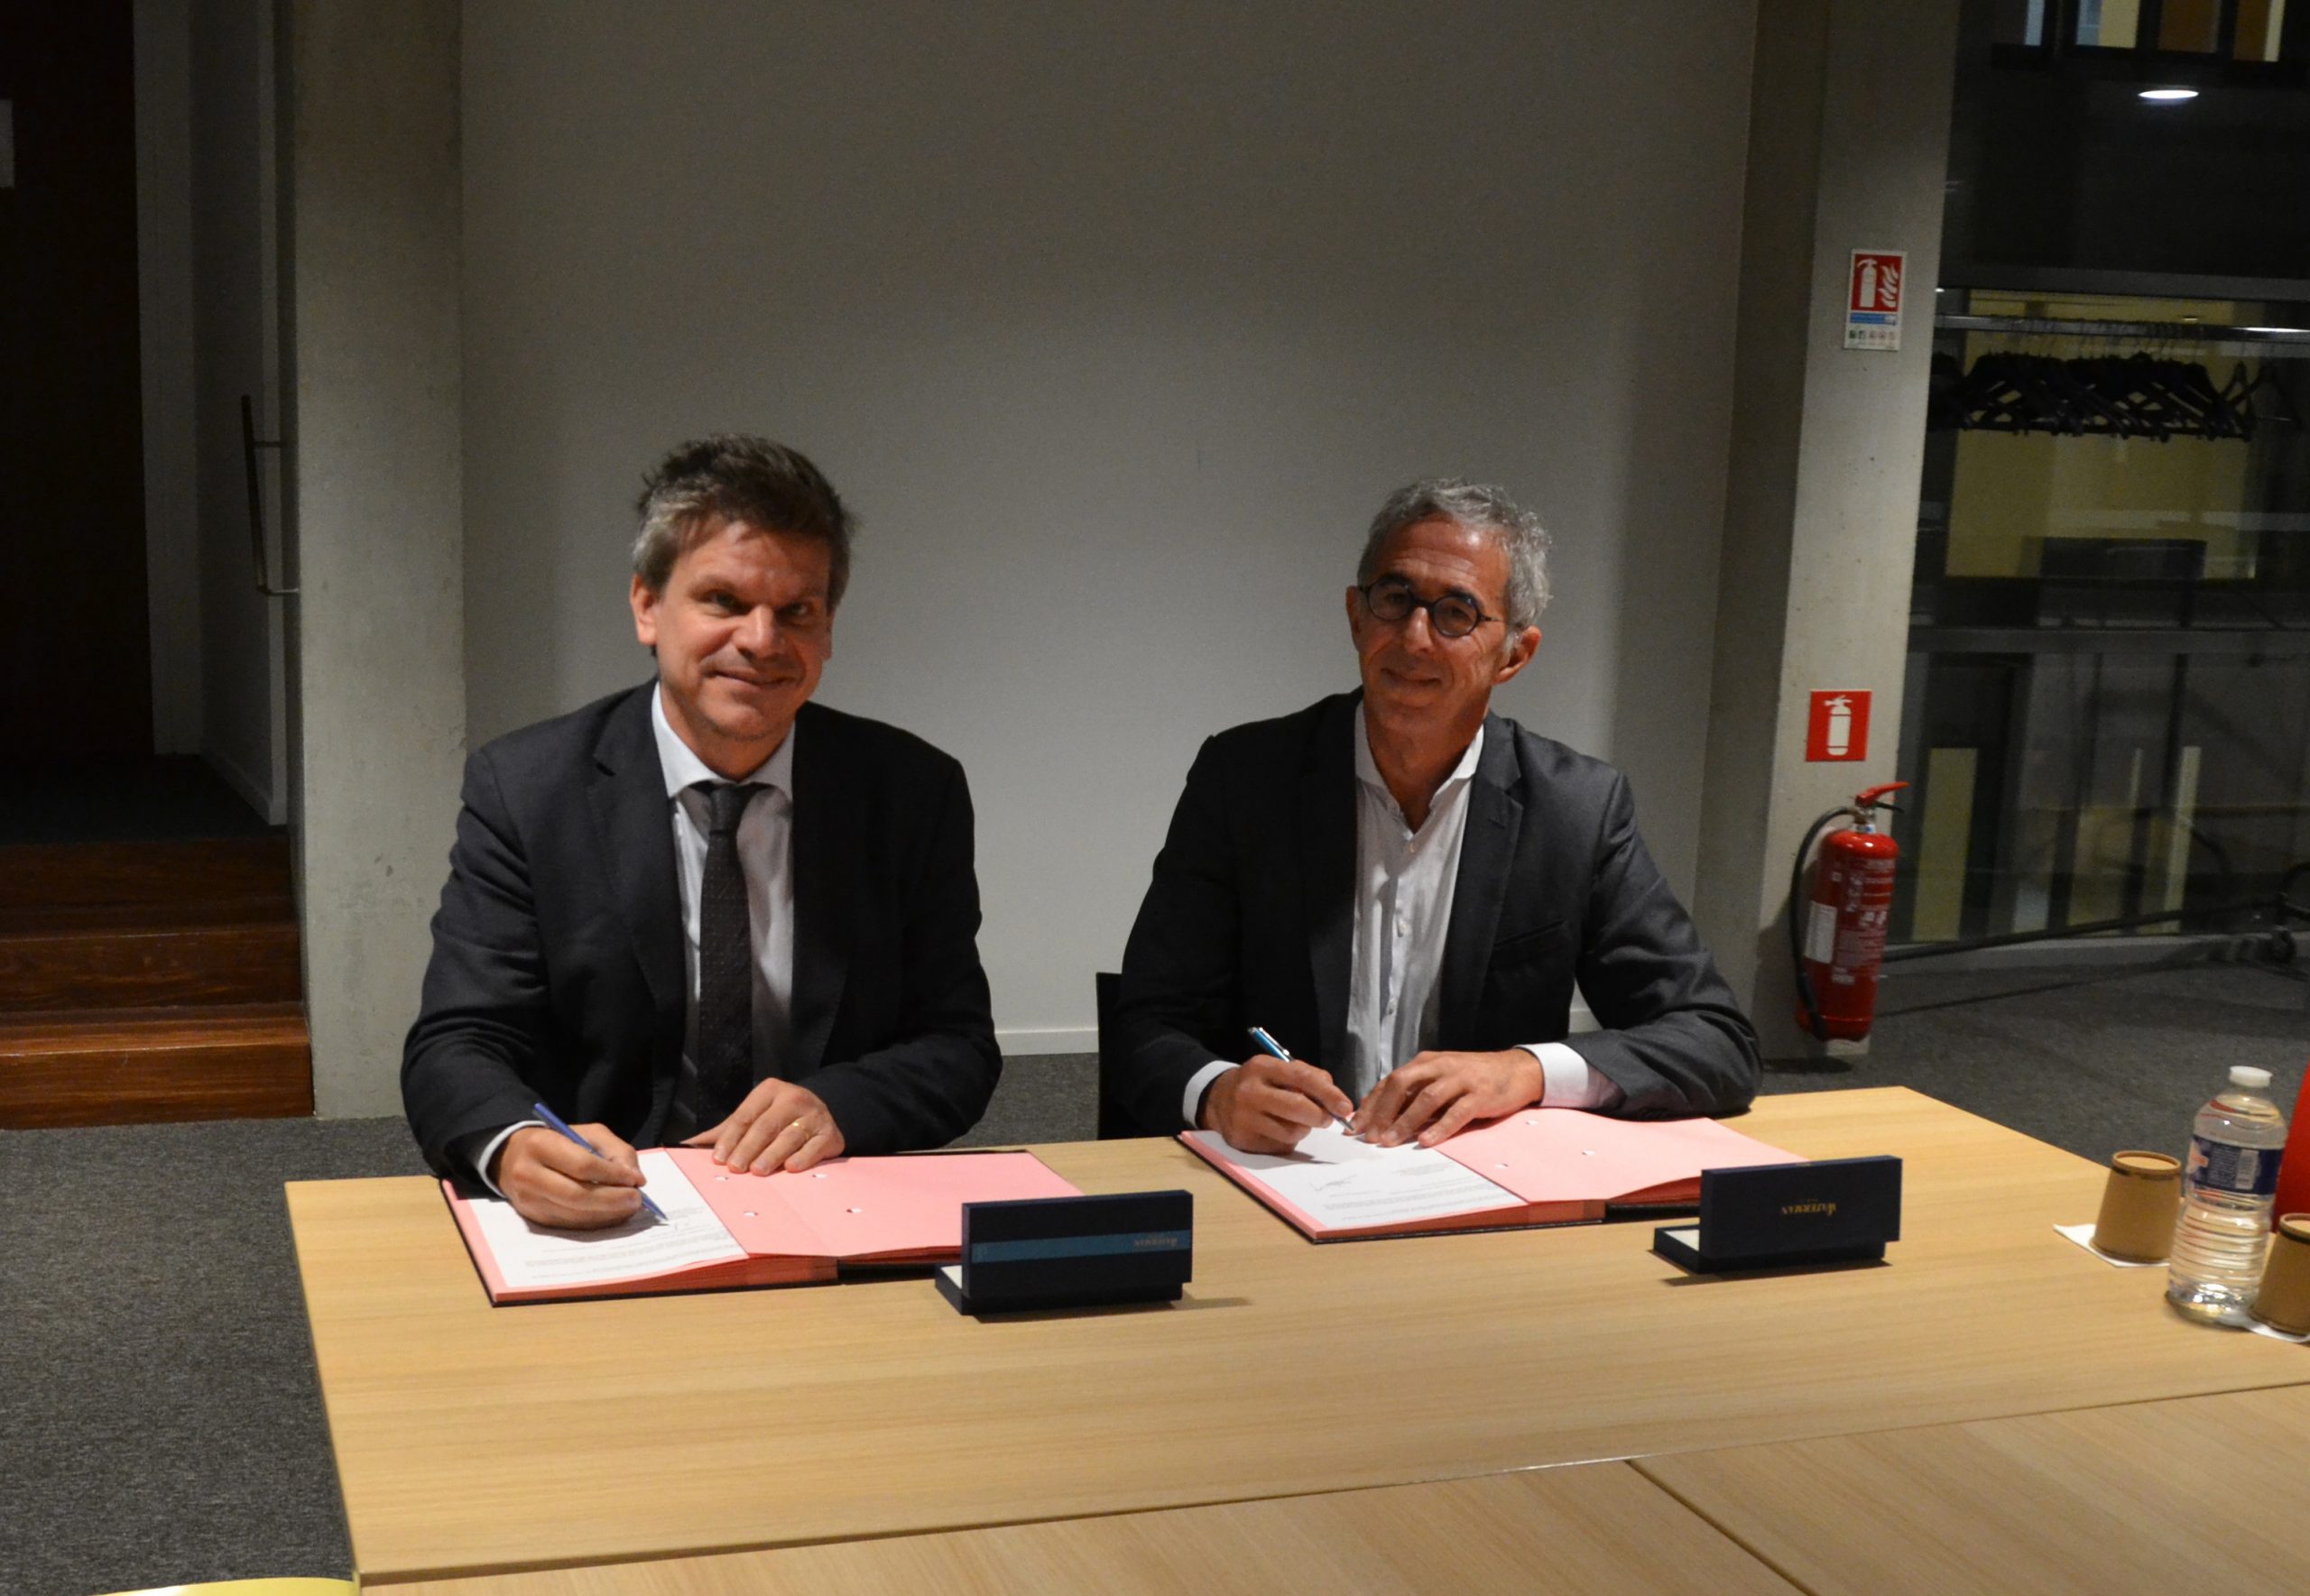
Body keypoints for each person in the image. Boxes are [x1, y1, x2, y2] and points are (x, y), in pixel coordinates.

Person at [403, 436, 1000, 1226]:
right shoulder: (528, 789)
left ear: (827, 629)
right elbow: (459, 1039)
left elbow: (957, 1044)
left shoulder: (911, 792)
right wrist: (513, 1143)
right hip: (610, 1210)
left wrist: (841, 1104)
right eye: (723, 600)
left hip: (824, 1201)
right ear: (647, 607)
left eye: (797, 611)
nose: (761, 640)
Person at [1111, 479, 1759, 1154]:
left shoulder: (1576, 811)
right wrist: (1216, 1092)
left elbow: (1717, 1040)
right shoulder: (1245, 780)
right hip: (1282, 1173)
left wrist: (1525, 1070)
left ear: (1515, 654)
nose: (1414, 638)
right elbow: (1145, 1025)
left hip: (1475, 1181)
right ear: (1356, 617)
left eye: (1456, 613)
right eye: (1395, 599)